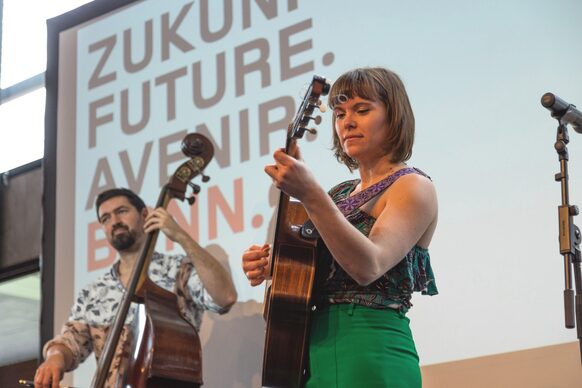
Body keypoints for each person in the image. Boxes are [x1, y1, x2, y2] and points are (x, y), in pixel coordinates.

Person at [242, 67, 438, 387]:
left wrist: (310, 194)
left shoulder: (413, 186)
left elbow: (368, 265)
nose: (347, 122)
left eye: (362, 110)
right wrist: (272, 266)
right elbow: (314, 266)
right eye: (339, 113)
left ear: (394, 116)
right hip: (312, 353)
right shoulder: (339, 194)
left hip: (371, 350)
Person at [35, 188, 237, 388]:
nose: (114, 222)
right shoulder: (94, 292)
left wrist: (182, 237)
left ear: (145, 215)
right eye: (105, 218)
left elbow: (225, 297)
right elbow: (71, 342)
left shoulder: (177, 270)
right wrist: (55, 357)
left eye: (122, 211)